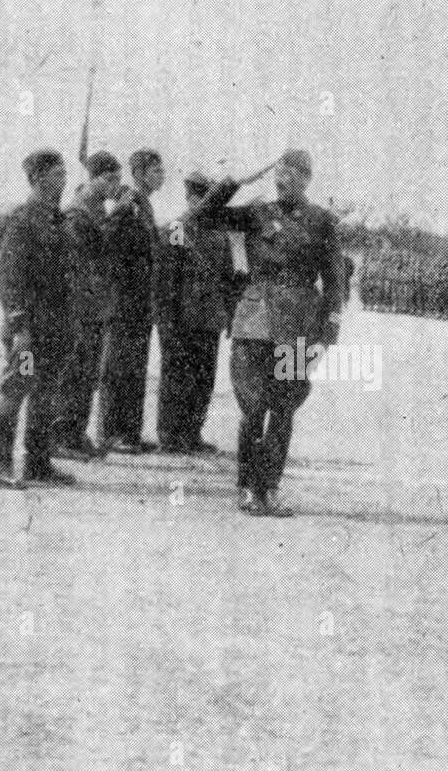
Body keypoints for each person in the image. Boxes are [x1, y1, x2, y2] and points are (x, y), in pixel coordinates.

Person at [197, 150, 344, 517]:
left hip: (298, 322)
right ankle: (247, 486)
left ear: (307, 178)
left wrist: (329, 331)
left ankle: (271, 488)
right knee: (252, 407)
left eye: (294, 175)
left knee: (283, 409)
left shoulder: (322, 221)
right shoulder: (257, 212)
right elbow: (206, 216)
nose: (285, 181)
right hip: (256, 319)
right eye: (280, 175)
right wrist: (234, 182)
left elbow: (335, 281)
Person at [0, 149, 75, 489]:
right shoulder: (22, 220)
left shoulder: (58, 220)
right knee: (17, 387)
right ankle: (0, 467)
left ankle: (38, 463)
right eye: (57, 174)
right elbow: (8, 279)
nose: (64, 180)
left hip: (57, 326)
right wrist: (20, 327)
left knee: (47, 392)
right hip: (30, 328)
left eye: (64, 174)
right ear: (38, 178)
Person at [153, 171, 238, 453]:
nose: (201, 203)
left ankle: (192, 432)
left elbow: (228, 277)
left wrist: (228, 314)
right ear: (190, 198)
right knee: (176, 375)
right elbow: (167, 278)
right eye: (197, 198)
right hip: (181, 316)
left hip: (209, 317)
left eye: (205, 198)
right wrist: (166, 318)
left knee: (204, 378)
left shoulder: (219, 235)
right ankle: (169, 435)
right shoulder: (178, 229)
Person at [51, 158, 119, 458]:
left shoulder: (96, 209)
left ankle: (76, 433)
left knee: (88, 374)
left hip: (95, 306)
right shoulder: (78, 213)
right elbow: (79, 264)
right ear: (96, 179)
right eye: (111, 180)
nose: (116, 186)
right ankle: (63, 436)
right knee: (74, 372)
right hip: (80, 307)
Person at [101, 148, 165, 454]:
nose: (161, 175)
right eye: (155, 170)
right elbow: (110, 242)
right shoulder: (128, 201)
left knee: (135, 368)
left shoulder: (144, 204)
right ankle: (112, 433)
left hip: (140, 299)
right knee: (118, 367)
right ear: (139, 174)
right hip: (124, 298)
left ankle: (130, 433)